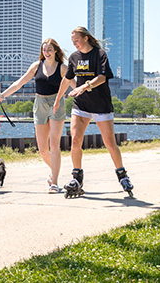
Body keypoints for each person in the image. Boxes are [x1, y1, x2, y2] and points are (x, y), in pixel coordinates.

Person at [52, 26, 133, 195]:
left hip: (101, 105)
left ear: (86, 38)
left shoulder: (99, 54)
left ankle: (122, 175)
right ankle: (76, 178)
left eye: (77, 40)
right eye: (72, 41)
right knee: (75, 140)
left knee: (110, 143)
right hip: (81, 104)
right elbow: (66, 80)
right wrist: (58, 98)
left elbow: (102, 77)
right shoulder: (74, 57)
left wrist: (84, 86)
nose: (74, 44)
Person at [0, 38, 72, 193]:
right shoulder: (36, 66)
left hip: (56, 104)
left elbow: (73, 84)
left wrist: (87, 89)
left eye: (49, 49)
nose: (47, 52)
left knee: (54, 145)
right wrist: (2, 96)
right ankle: (55, 171)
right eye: (44, 49)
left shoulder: (62, 68)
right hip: (40, 104)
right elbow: (19, 83)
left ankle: (54, 182)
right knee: (42, 149)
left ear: (56, 51)